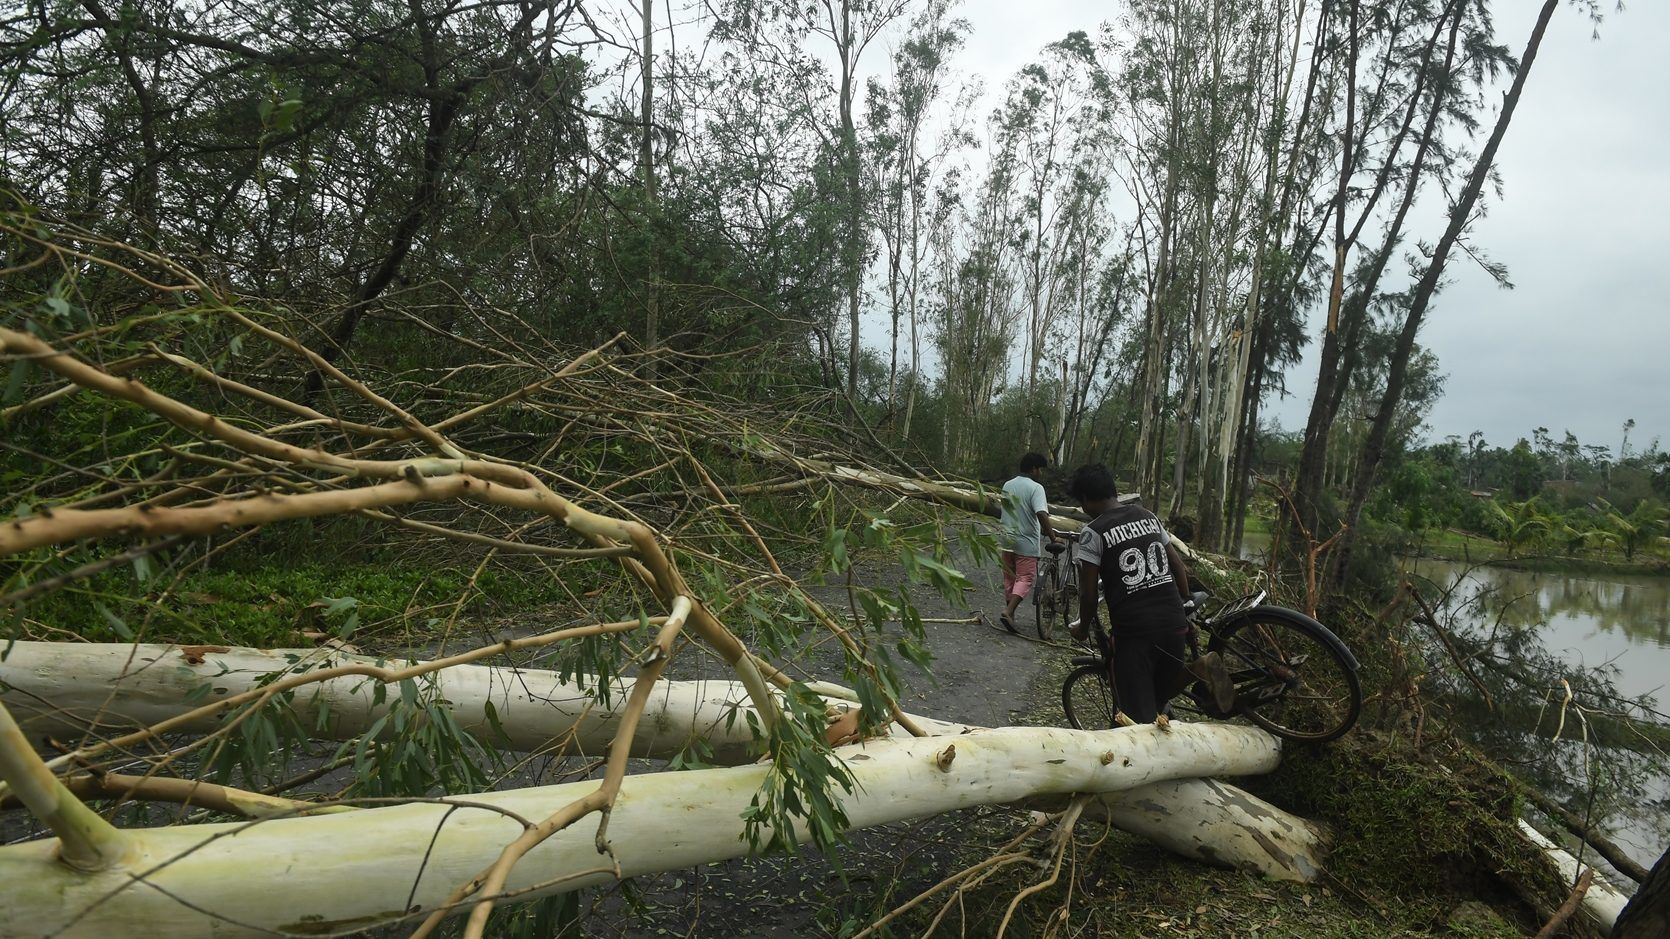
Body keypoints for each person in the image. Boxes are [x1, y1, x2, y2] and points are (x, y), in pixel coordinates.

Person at [1066, 463, 1232, 724]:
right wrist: (1185, 603)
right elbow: (1177, 566)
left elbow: (1088, 595)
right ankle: (1196, 668)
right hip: (1174, 623)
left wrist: (1083, 627)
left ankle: (1140, 760)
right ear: (1112, 491)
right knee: (1159, 694)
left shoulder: (1093, 532)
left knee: (1137, 719)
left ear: (1085, 500)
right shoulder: (1148, 516)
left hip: (1135, 633)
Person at [997, 452, 1057, 633]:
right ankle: (1008, 611)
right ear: (1033, 469)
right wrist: (1053, 536)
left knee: (1009, 578)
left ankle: (1011, 616)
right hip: (1026, 541)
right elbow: (1041, 513)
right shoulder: (1036, 488)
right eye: (1040, 469)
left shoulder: (1008, 485)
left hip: (1007, 538)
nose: (1040, 473)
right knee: (1025, 577)